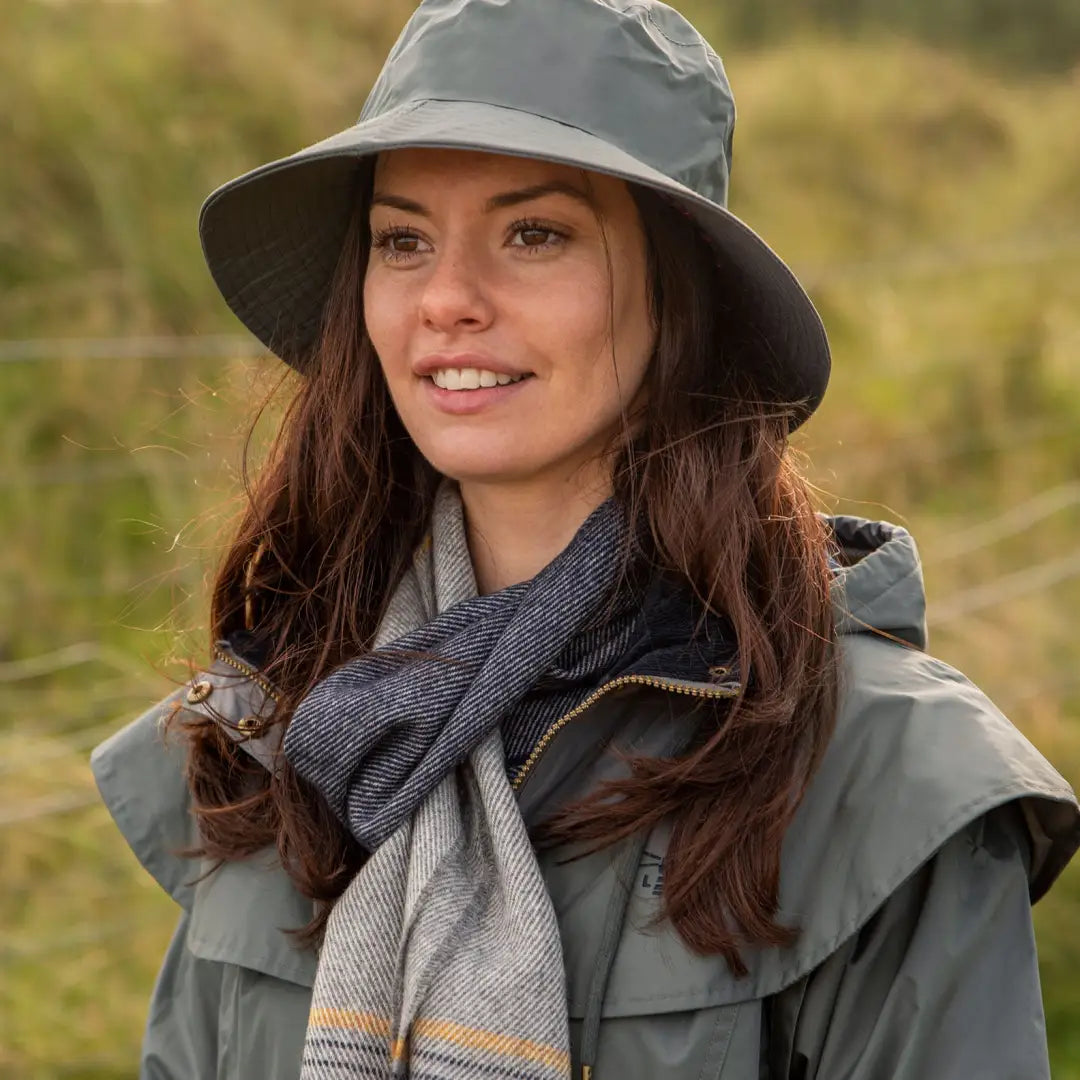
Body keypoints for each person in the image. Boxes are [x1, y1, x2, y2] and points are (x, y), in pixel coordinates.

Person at [91, 0, 1080, 1077]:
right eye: (402, 240)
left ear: (679, 291)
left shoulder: (885, 783)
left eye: (535, 234)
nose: (449, 299)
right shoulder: (277, 733)